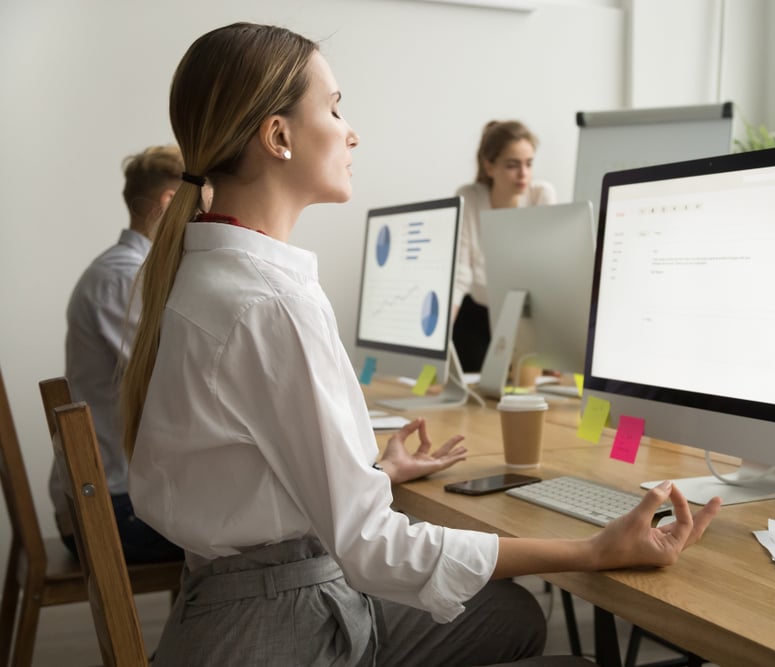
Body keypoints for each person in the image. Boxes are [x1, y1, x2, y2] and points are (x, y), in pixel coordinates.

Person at [120, 22, 721, 667]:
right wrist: (591, 552)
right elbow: (375, 551)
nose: (351, 131)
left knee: (513, 611)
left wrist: (365, 474)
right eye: (334, 107)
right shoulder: (272, 304)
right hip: (286, 630)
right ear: (278, 136)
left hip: (235, 602)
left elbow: (248, 470)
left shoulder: (209, 271)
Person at [48, 145, 206, 564]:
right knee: (259, 538)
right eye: (203, 204)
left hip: (111, 496)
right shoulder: (123, 279)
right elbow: (174, 383)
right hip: (108, 511)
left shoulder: (129, 272)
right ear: (171, 202)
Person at [452, 120, 556, 373]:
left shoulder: (541, 195)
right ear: (489, 166)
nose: (524, 174)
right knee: (473, 384)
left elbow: (549, 269)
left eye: (529, 164)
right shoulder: (470, 197)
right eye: (512, 165)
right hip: (478, 314)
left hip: (528, 315)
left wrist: (555, 343)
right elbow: (460, 275)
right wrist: (439, 343)